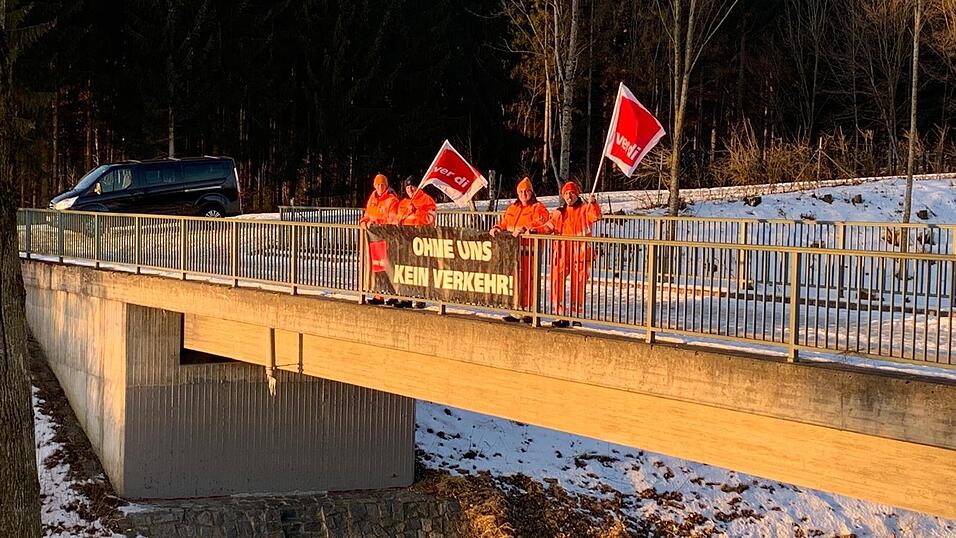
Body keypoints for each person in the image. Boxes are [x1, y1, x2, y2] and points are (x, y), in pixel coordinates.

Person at [489, 177, 553, 322]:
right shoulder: (513, 208)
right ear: (517, 193)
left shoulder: (538, 207)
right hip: (513, 251)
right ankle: (515, 311)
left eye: (526, 191)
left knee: (528, 281)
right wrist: (497, 228)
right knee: (514, 281)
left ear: (531, 192)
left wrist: (525, 228)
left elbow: (541, 221)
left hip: (530, 251)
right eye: (521, 191)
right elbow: (505, 222)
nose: (524, 194)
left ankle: (529, 312)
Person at [548, 181, 602, 328]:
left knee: (578, 284)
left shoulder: (585, 209)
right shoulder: (559, 212)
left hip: (581, 254)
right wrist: (532, 230)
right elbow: (548, 226)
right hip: (562, 252)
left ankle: (576, 315)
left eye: (571, 193)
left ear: (577, 194)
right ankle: (560, 315)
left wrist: (593, 203)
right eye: (566, 193)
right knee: (556, 281)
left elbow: (596, 216)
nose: (569, 196)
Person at [391, 178, 436, 308]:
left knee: (419, 269)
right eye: (407, 187)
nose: (410, 189)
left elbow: (430, 219)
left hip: (420, 240)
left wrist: (416, 211)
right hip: (405, 241)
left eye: (412, 186)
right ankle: (406, 298)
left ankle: (420, 297)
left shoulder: (427, 200)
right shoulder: (403, 202)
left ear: (418, 187)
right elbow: (397, 219)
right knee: (406, 269)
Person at [360, 173, 399, 305]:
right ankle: (379, 295)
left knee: (389, 267)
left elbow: (392, 219)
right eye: (378, 185)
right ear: (374, 186)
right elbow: (367, 215)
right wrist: (363, 222)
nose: (380, 187)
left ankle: (394, 295)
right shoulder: (372, 199)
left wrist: (377, 223)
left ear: (386, 185)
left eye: (383, 185)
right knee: (377, 267)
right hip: (375, 240)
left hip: (387, 239)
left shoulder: (392, 200)